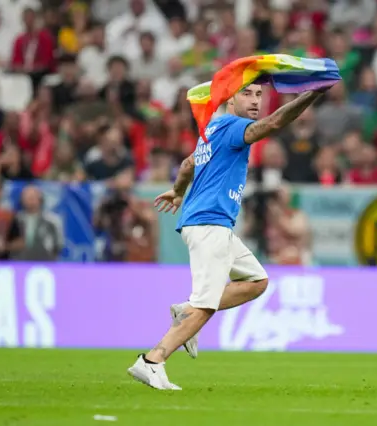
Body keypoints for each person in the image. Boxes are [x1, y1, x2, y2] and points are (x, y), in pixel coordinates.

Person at [127, 84, 327, 390]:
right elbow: (273, 123)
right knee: (205, 307)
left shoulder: (212, 128)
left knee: (256, 281)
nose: (255, 100)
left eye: (259, 94)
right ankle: (152, 361)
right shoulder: (235, 126)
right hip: (210, 225)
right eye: (247, 93)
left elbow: (187, 164)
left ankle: (186, 311)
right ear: (229, 97)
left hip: (211, 225)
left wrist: (178, 191)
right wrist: (312, 94)